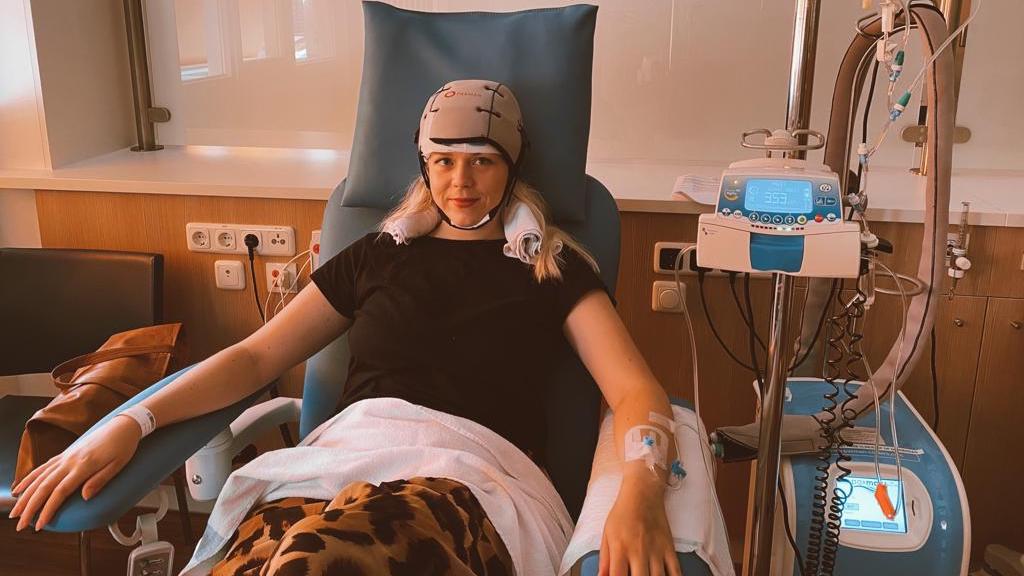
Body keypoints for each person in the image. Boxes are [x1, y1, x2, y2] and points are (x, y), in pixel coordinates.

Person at [10, 80, 683, 576]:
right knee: (272, 556)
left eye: (482, 159)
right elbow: (253, 359)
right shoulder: (377, 257)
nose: (461, 180)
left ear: (511, 165)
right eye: (444, 160)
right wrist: (132, 421)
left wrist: (641, 492)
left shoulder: (550, 268)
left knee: (321, 557)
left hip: (467, 485)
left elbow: (635, 393)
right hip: (332, 472)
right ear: (424, 165)